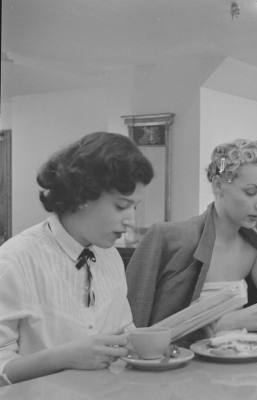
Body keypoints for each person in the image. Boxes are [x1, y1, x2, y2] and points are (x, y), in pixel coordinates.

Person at [0, 132, 154, 384]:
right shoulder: (14, 261)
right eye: (121, 206)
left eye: (134, 207)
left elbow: (124, 332)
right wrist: (62, 357)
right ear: (84, 195)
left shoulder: (110, 256)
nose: (131, 221)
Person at [126, 139, 257, 333]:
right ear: (219, 186)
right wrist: (222, 325)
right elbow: (134, 329)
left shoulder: (251, 246)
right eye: (251, 192)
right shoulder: (168, 237)